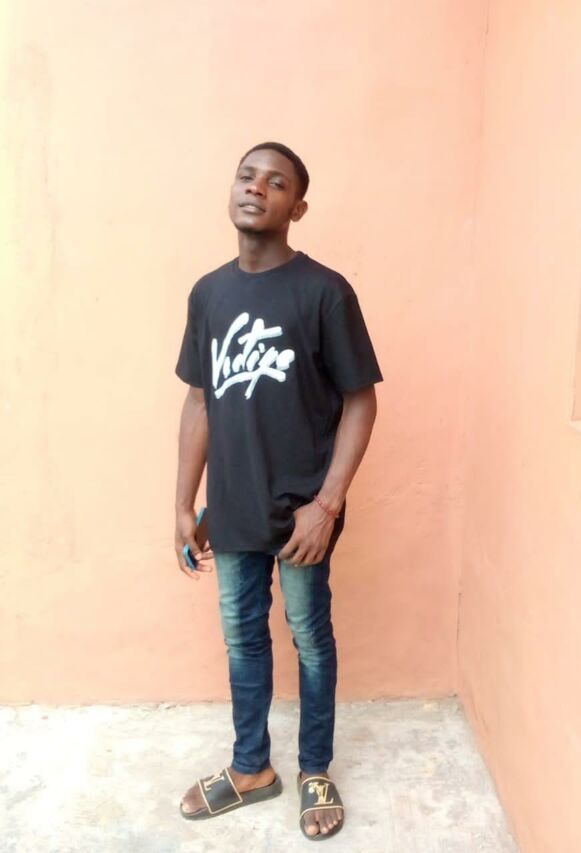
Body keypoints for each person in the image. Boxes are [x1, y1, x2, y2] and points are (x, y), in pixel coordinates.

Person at [174, 141, 383, 840]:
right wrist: (184, 502)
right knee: (242, 638)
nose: (256, 188)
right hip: (232, 509)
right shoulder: (209, 293)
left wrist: (327, 504)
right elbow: (200, 402)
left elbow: (361, 400)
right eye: (246, 176)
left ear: (298, 207)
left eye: (276, 182)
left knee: (309, 637)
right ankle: (251, 769)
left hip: (302, 514)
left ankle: (315, 767)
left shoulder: (324, 291)